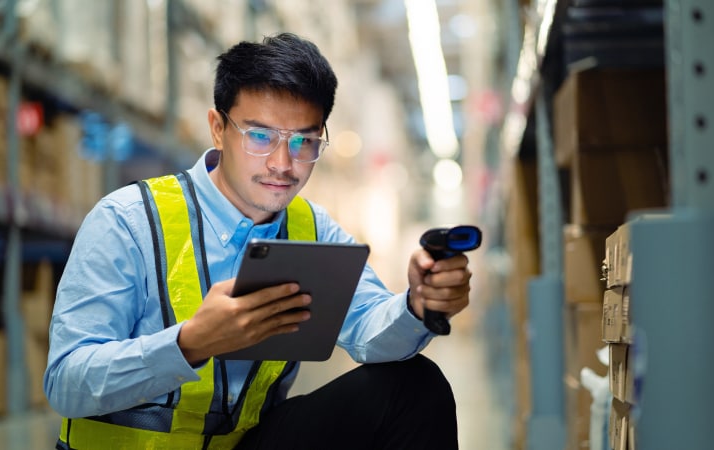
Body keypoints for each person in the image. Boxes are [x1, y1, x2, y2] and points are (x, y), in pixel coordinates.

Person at [44, 32, 473, 450]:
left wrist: (417, 303)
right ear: (217, 129)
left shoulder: (312, 229)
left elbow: (369, 330)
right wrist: (190, 343)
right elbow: (66, 383)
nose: (282, 164)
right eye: (260, 136)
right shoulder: (128, 221)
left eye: (303, 141)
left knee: (415, 386)